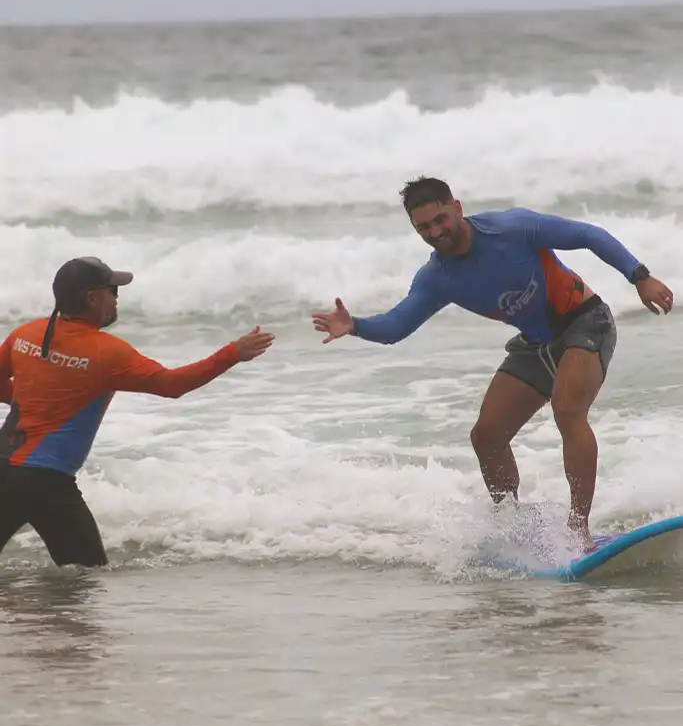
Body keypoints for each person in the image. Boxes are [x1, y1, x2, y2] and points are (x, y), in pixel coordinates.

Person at [312, 176, 674, 550]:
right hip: (536, 345)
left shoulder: (512, 228)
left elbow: (588, 234)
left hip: (584, 322)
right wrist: (354, 326)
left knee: (567, 411)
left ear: (457, 208)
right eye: (424, 227)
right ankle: (512, 527)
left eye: (440, 219)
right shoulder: (437, 278)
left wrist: (639, 277)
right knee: (486, 436)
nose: (436, 231)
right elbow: (396, 326)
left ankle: (578, 529)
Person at [0, 256, 275, 567]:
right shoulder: (107, 352)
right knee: (83, 580)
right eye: (112, 290)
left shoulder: (25, 335)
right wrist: (232, 354)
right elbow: (172, 385)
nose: (117, 297)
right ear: (92, 298)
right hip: (47, 483)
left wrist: (27, 402)